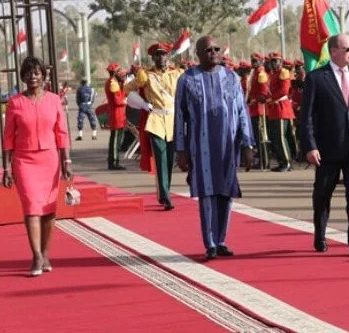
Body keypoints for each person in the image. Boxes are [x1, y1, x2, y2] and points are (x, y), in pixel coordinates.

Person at [175, 35, 254, 259]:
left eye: (216, 49)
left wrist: (248, 144)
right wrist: (180, 151)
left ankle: (221, 240)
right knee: (207, 193)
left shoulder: (232, 78)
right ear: (198, 54)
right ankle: (209, 242)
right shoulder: (187, 79)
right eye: (207, 49)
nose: (213, 52)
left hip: (228, 148)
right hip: (201, 148)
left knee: (225, 193)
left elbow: (242, 113)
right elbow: (180, 117)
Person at [300, 33, 349, 258]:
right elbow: (306, 117)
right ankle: (320, 234)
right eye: (348, 49)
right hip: (327, 149)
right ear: (334, 51)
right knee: (323, 194)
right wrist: (310, 146)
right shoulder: (316, 78)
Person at [3, 56, 72, 276]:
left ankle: (46, 252)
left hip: (50, 160)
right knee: (32, 207)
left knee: (49, 211)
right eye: (28, 73)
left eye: (36, 72)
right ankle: (36, 256)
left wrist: (66, 161)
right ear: (23, 77)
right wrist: (6, 168)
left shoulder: (54, 100)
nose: (33, 76)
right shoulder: (15, 103)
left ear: (43, 75)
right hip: (24, 161)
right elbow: (8, 138)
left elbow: (62, 133)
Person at [124, 42, 182, 210]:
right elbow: (126, 89)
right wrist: (142, 101)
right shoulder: (147, 75)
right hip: (155, 120)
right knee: (161, 157)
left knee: (170, 160)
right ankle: (165, 196)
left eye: (164, 54)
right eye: (157, 55)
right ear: (153, 57)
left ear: (168, 56)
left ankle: (166, 190)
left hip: (172, 121)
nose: (161, 57)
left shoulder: (177, 73)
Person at [267, 52, 295, 172]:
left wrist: (270, 98)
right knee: (276, 138)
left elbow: (284, 90)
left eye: (276, 61)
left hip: (282, 108)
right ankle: (281, 161)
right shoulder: (273, 74)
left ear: (281, 62)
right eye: (272, 61)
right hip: (274, 109)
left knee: (281, 137)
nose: (273, 63)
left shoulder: (284, 72)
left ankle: (287, 162)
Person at [104, 63, 127, 170]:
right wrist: (126, 101)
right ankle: (113, 162)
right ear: (114, 73)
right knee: (116, 140)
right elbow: (118, 100)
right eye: (119, 71)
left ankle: (114, 160)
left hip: (118, 114)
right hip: (116, 114)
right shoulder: (113, 83)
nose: (121, 73)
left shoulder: (115, 82)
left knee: (117, 139)